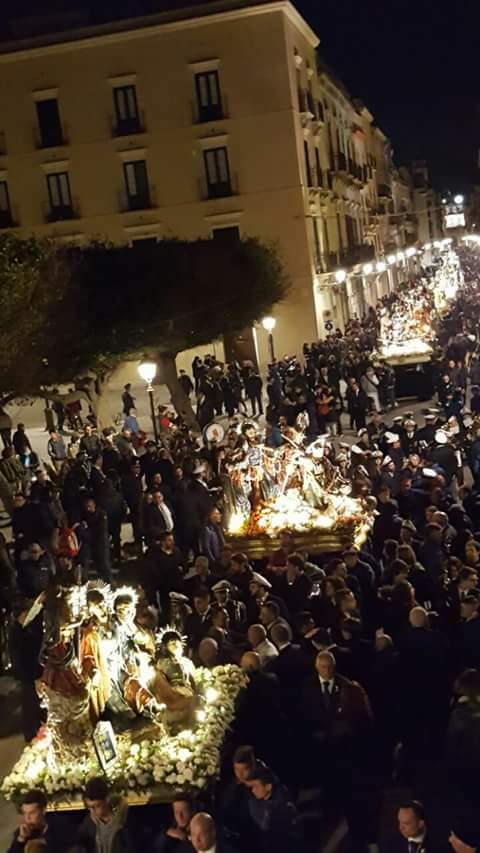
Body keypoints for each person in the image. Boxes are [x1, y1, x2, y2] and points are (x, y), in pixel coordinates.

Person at [248, 766, 299, 853]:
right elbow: (264, 826)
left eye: (256, 786)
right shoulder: (254, 803)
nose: (253, 790)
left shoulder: (281, 795)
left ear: (268, 787)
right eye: (252, 787)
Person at [75, 776, 134, 853]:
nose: (92, 811)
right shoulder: (89, 823)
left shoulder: (124, 821)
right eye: (89, 807)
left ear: (107, 800)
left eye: (97, 806)